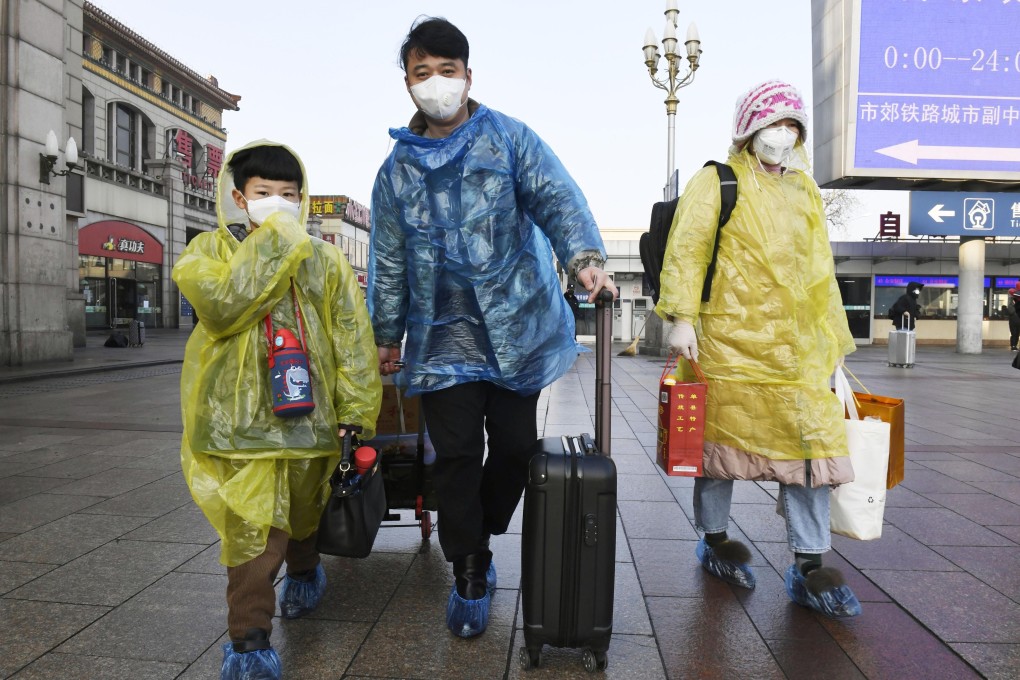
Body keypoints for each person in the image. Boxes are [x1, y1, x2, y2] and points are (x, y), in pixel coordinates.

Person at [368, 16, 617, 639]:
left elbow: (556, 197)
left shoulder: (509, 139)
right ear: (406, 82)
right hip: (440, 336)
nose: (436, 84)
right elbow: (389, 259)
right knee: (454, 454)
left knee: (511, 448)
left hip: (516, 329)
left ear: (468, 76)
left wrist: (585, 260)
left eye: (447, 72)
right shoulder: (397, 171)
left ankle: (479, 531)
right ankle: (470, 568)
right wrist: (386, 332)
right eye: (422, 73)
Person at [172, 141, 382, 680]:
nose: (278, 203)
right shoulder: (207, 254)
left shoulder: (326, 259)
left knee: (304, 514)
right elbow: (223, 306)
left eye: (289, 195)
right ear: (239, 198)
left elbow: (351, 338)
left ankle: (307, 570)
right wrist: (278, 243)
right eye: (265, 193)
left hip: (310, 417)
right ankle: (249, 638)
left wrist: (355, 409)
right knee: (254, 530)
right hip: (237, 424)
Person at [656, 80, 862, 618]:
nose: (784, 134)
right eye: (775, 124)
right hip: (727, 345)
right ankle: (716, 537)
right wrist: (682, 317)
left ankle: (810, 563)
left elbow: (821, 272)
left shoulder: (806, 189)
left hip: (796, 354)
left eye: (793, 125)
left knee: (811, 452)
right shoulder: (717, 181)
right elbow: (688, 250)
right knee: (719, 451)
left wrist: (832, 338)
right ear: (749, 129)